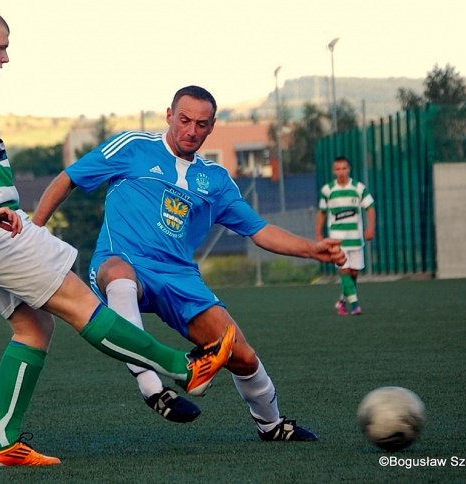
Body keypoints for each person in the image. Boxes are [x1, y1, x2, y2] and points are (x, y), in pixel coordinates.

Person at [0, 9, 235, 468]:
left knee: (34, 326)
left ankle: (2, 443)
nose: (6, 57)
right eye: (1, 47)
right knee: (80, 303)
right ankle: (183, 367)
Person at [33, 85, 347, 440]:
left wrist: (312, 249)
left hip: (180, 278)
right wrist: (36, 230)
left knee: (240, 355)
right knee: (118, 276)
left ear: (212, 127)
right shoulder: (133, 146)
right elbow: (69, 178)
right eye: (184, 120)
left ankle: (271, 425)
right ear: (169, 116)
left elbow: (259, 230)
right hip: (122, 260)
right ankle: (154, 390)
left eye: (201, 124)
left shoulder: (216, 181)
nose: (191, 130)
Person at [315, 156, 376, 316]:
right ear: (334, 171)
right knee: (345, 270)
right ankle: (355, 305)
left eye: (344, 168)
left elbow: (370, 207)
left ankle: (342, 302)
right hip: (337, 240)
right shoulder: (327, 190)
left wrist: (371, 228)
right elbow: (322, 212)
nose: (341, 172)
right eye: (338, 169)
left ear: (349, 169)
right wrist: (319, 233)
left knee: (354, 273)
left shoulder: (359, 188)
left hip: (355, 238)